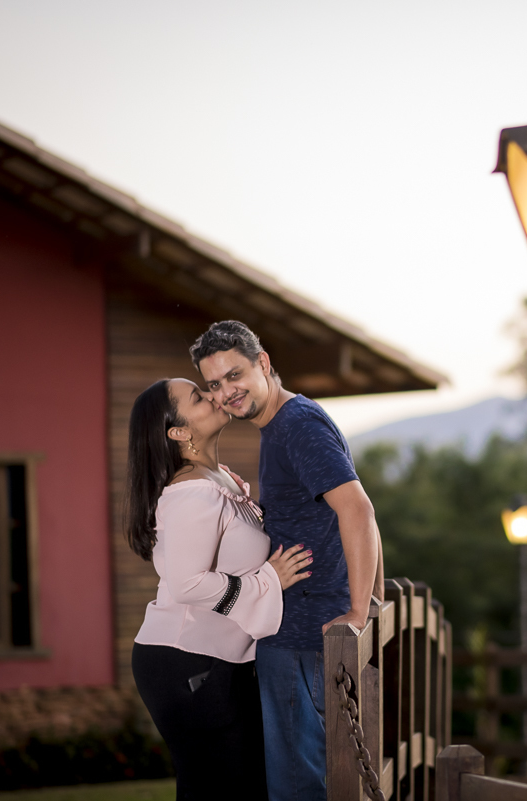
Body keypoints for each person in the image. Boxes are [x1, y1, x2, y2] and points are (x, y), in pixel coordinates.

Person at [190, 321, 385, 801]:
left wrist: (360, 609)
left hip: (302, 636)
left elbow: (358, 509)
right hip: (296, 633)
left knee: (296, 790)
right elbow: (358, 509)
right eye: (214, 384)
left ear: (263, 363)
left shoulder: (296, 425)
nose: (226, 393)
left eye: (234, 375)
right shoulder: (281, 425)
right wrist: (374, 593)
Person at [124, 377, 314, 800]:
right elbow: (186, 583)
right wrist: (269, 580)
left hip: (216, 660)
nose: (214, 396)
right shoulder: (192, 494)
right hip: (186, 660)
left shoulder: (218, 480)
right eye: (198, 397)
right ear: (179, 432)